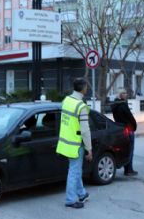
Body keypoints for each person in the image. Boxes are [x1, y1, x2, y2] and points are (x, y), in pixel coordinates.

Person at [56, 78, 92, 209]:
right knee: (74, 171)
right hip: (76, 144)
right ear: (83, 89)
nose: (87, 89)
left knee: (75, 170)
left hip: (65, 142)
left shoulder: (66, 100)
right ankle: (70, 200)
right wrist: (89, 149)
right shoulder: (81, 106)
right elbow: (85, 130)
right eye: (86, 87)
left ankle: (82, 194)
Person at [111, 88, 138, 176]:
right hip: (128, 129)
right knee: (130, 149)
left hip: (120, 129)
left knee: (124, 149)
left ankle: (126, 168)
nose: (126, 95)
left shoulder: (115, 105)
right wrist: (134, 125)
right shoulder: (123, 105)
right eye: (125, 93)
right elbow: (130, 117)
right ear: (121, 95)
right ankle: (129, 170)